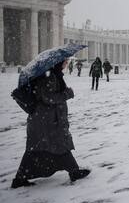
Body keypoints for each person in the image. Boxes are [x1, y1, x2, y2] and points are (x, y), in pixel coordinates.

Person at [11, 59, 90, 188]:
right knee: (58, 145)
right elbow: (48, 98)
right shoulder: (50, 77)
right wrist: (67, 93)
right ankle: (74, 171)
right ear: (58, 63)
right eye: (65, 62)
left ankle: (20, 178)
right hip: (47, 120)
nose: (66, 64)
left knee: (37, 149)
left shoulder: (51, 75)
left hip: (43, 119)